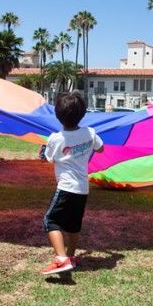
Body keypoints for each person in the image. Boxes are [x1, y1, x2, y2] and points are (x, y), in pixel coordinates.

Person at [41, 92, 104, 275]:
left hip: (66, 188)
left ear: (58, 115)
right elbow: (101, 149)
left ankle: (62, 259)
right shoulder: (90, 133)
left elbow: (49, 158)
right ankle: (71, 257)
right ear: (83, 113)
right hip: (83, 189)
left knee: (50, 220)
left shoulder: (56, 138)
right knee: (73, 224)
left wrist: (45, 150)